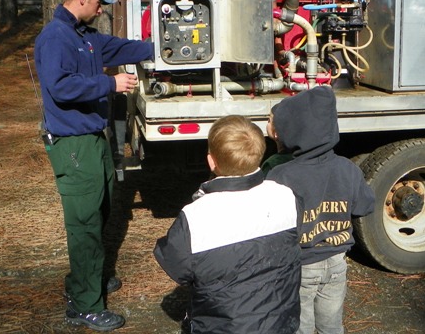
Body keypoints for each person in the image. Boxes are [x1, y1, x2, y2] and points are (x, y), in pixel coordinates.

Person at [34, 0, 153, 331]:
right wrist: (110, 83)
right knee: (84, 224)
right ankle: (85, 305)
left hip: (93, 140)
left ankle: (85, 280)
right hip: (73, 146)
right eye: (99, 1)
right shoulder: (56, 37)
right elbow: (60, 87)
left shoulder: (84, 36)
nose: (103, 8)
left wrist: (159, 44)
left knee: (100, 211)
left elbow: (121, 48)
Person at [154, 115, 302, 334]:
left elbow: (176, 266)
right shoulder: (286, 196)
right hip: (280, 324)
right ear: (260, 155)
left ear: (211, 161)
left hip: (223, 327)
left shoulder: (195, 217)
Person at [265, 86, 376, 334]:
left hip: (300, 265)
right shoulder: (347, 169)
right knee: (332, 326)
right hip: (336, 263)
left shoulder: (281, 174)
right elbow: (365, 205)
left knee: (300, 326)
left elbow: (268, 220)